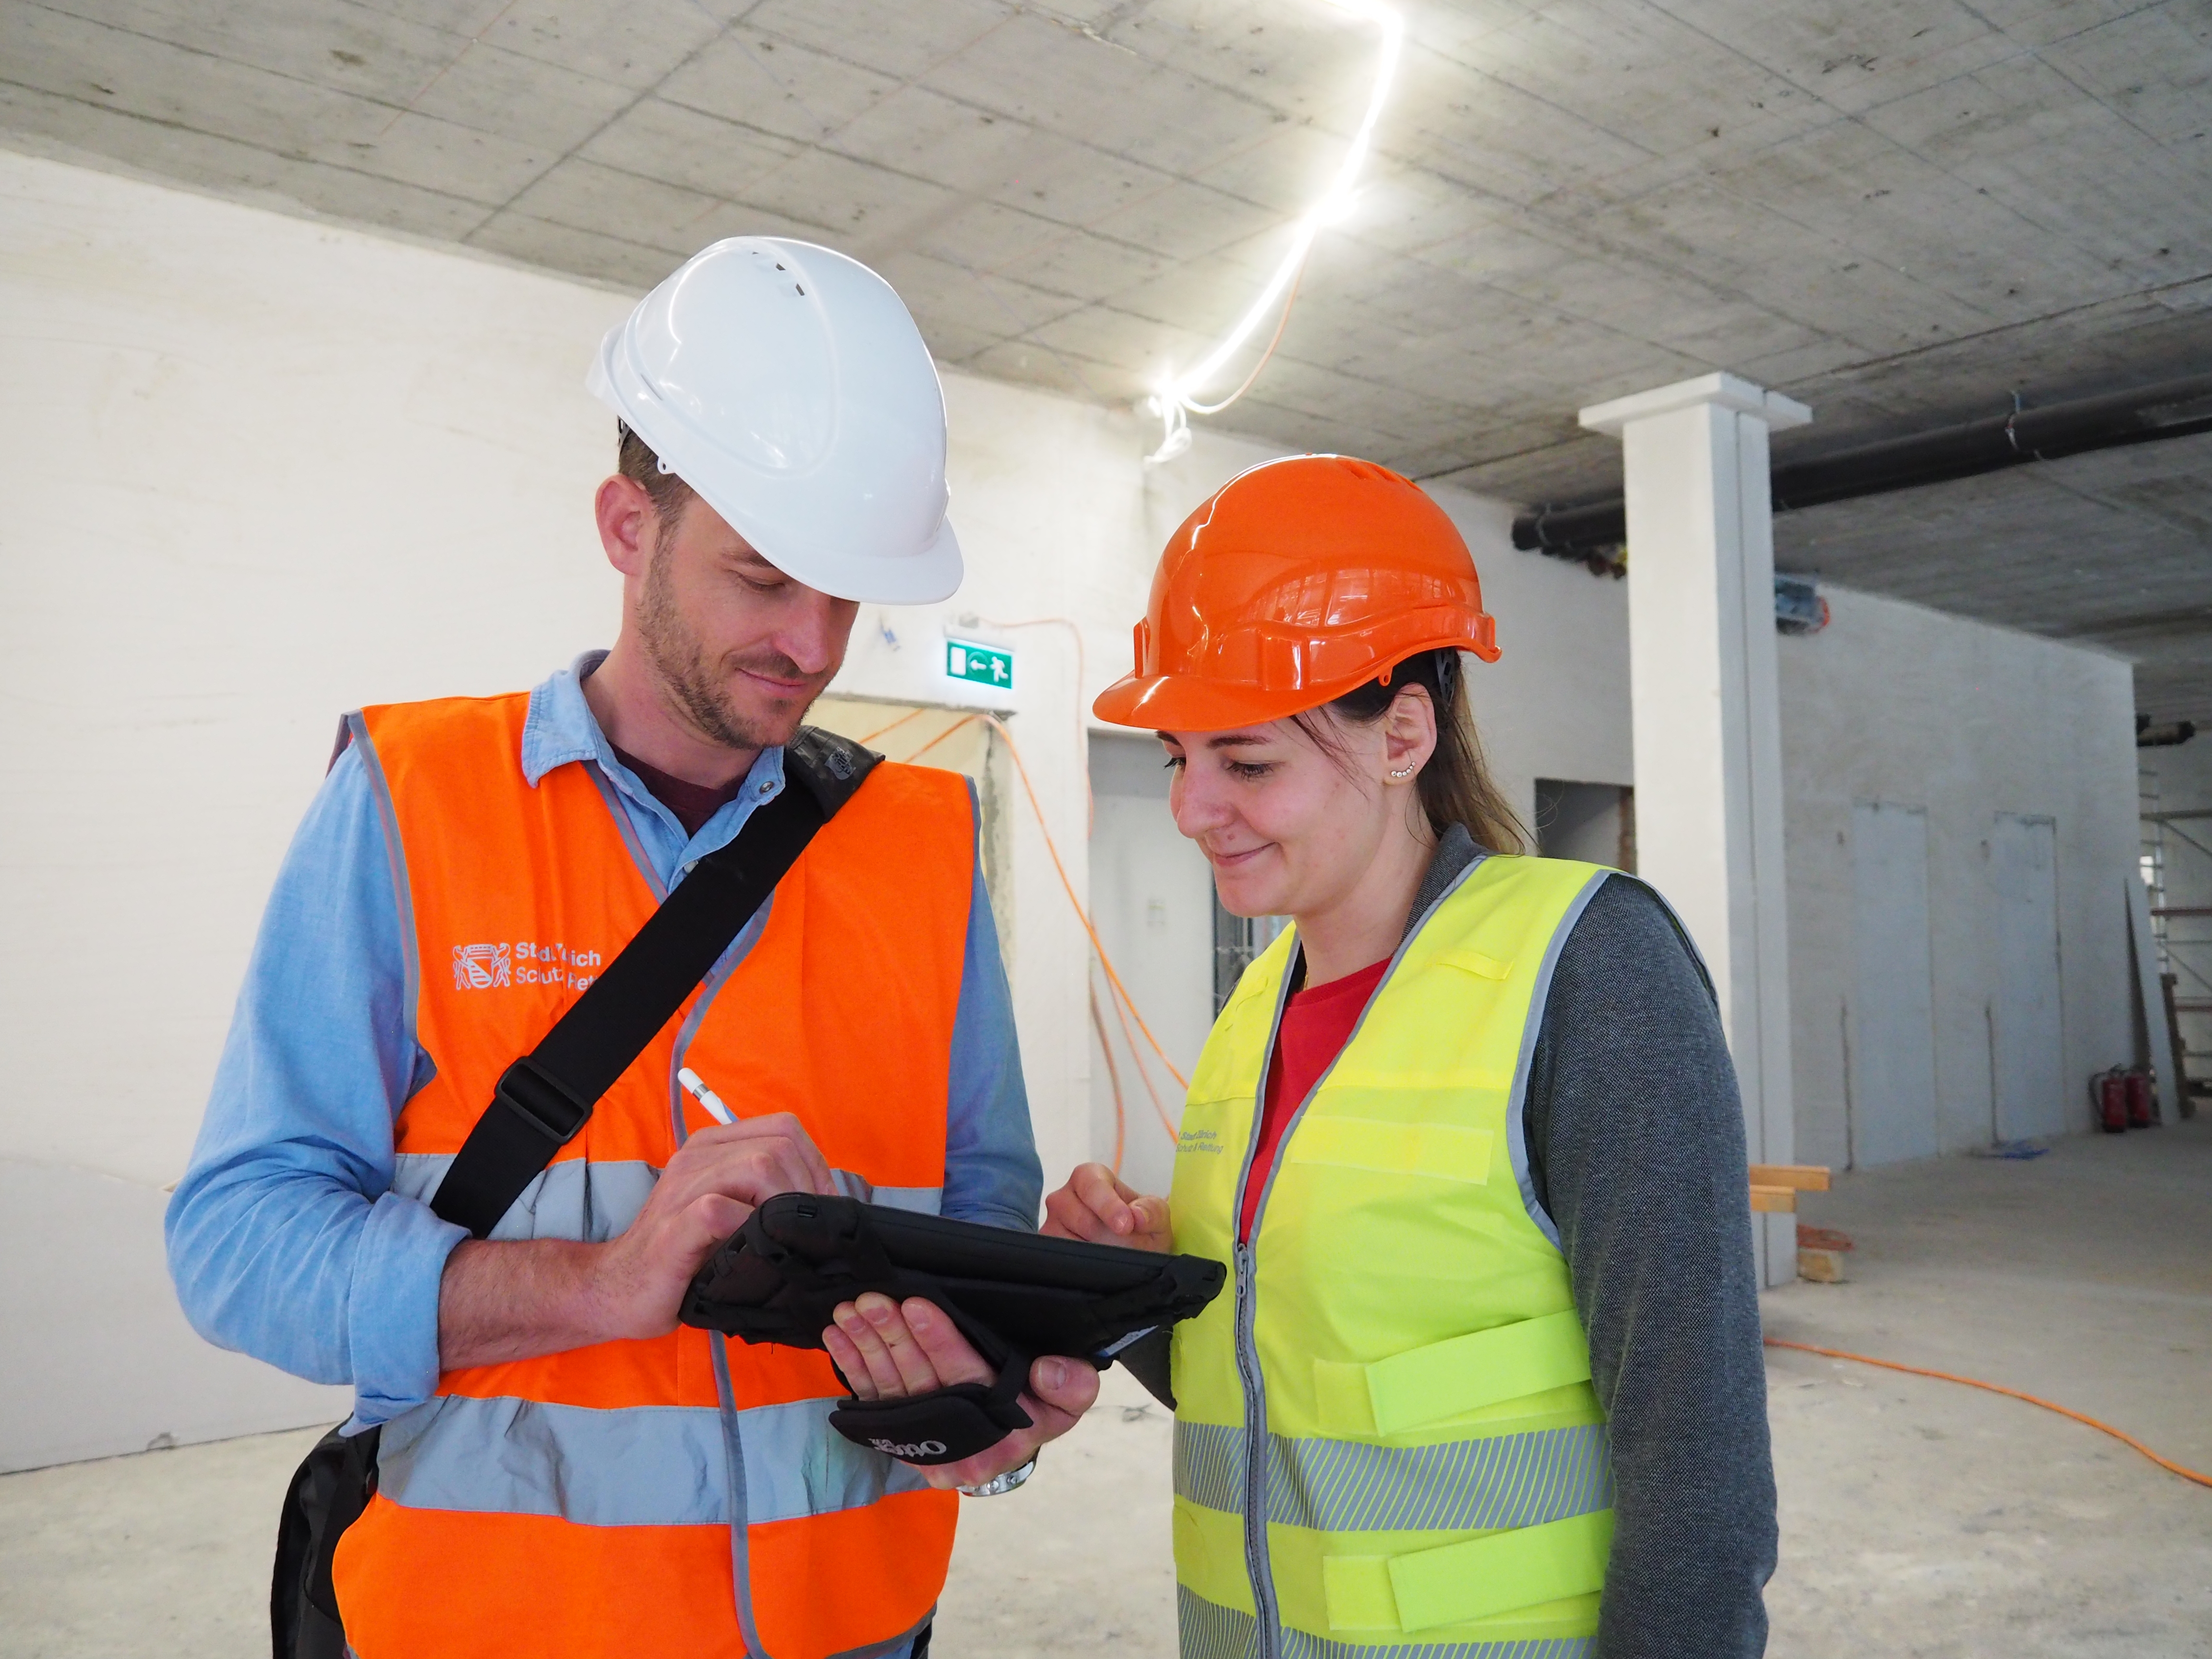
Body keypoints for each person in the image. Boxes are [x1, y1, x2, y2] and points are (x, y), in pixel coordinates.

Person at [165, 238, 1096, 1659]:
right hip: (498, 1629)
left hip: (852, 1624)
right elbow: (238, 1242)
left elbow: (975, 1204)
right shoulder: (413, 802)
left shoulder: (919, 840)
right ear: (627, 525)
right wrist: (601, 1285)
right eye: (765, 576)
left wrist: (992, 1396)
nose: (815, 642)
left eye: (848, 593)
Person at [831, 454, 1777, 1658]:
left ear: (1404, 735)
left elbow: (1698, 1456)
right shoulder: (1260, 1006)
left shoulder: (1586, 969)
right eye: (1180, 758)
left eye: (1248, 761)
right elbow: (1274, 1391)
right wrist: (1133, 1297)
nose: (1190, 808)